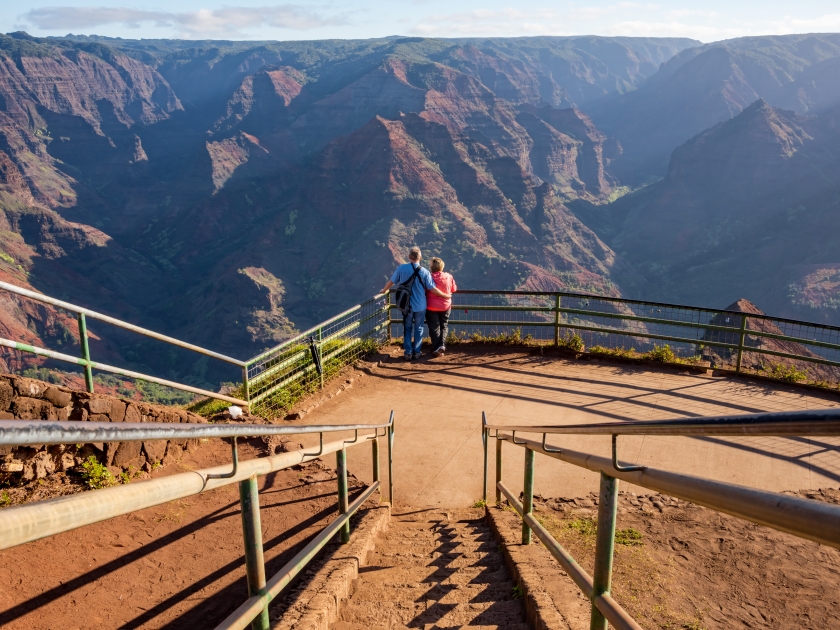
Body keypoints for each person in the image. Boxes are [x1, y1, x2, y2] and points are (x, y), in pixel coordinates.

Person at [381, 247, 450, 360]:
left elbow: (391, 281)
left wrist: (384, 290)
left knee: (407, 328)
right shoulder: (425, 272)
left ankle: (408, 352)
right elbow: (432, 289)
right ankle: (417, 352)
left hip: (406, 305)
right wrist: (445, 295)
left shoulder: (401, 268)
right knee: (419, 328)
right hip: (420, 305)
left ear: (409, 257)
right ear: (420, 257)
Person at [426, 257, 457, 357]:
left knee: (434, 328)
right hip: (445, 306)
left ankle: (436, 349)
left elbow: (425, 290)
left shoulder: (429, 277)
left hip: (432, 306)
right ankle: (442, 345)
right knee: (444, 326)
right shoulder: (449, 276)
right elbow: (454, 289)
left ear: (432, 267)